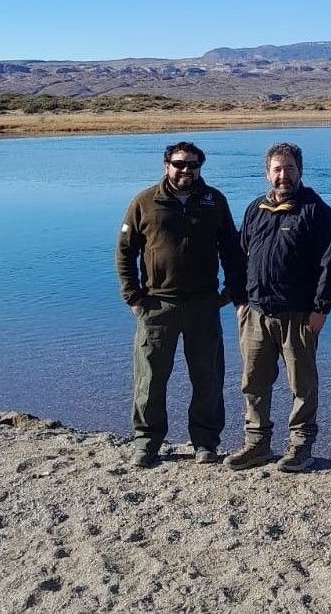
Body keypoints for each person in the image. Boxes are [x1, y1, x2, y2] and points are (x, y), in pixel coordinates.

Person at [116, 141, 245, 468]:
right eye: (179, 164)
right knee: (150, 378)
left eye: (193, 165)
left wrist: (231, 291)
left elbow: (232, 248)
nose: (186, 170)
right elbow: (124, 251)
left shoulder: (213, 200)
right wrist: (133, 297)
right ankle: (146, 442)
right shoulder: (145, 202)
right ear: (166, 165)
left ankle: (205, 442)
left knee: (208, 377)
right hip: (158, 305)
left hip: (204, 304)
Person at [225, 143, 331, 472]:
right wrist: (238, 301)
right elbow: (238, 258)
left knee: (302, 385)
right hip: (255, 314)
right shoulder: (255, 210)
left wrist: (321, 309)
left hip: (299, 315)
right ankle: (256, 443)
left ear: (300, 171)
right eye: (277, 169)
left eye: (289, 169)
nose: (283, 175)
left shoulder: (315, 210)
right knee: (253, 382)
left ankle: (300, 446)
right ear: (267, 173)